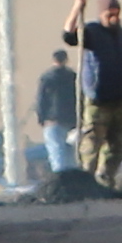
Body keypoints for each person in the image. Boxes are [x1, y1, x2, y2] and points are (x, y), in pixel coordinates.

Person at [72, 0, 122, 188]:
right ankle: (86, 181)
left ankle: (106, 179)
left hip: (120, 96)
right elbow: (68, 35)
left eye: (117, 14)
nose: (114, 18)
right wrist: (77, 8)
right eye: (110, 14)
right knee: (93, 142)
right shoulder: (91, 32)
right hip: (98, 99)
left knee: (116, 145)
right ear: (101, 14)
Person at [29, 40, 85, 192]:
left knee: (56, 152)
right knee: (71, 152)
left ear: (54, 60)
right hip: (71, 119)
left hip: (52, 120)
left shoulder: (47, 77)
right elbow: (81, 96)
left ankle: (60, 183)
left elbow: (41, 99)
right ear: (66, 60)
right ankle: (74, 182)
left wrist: (41, 118)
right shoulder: (73, 76)